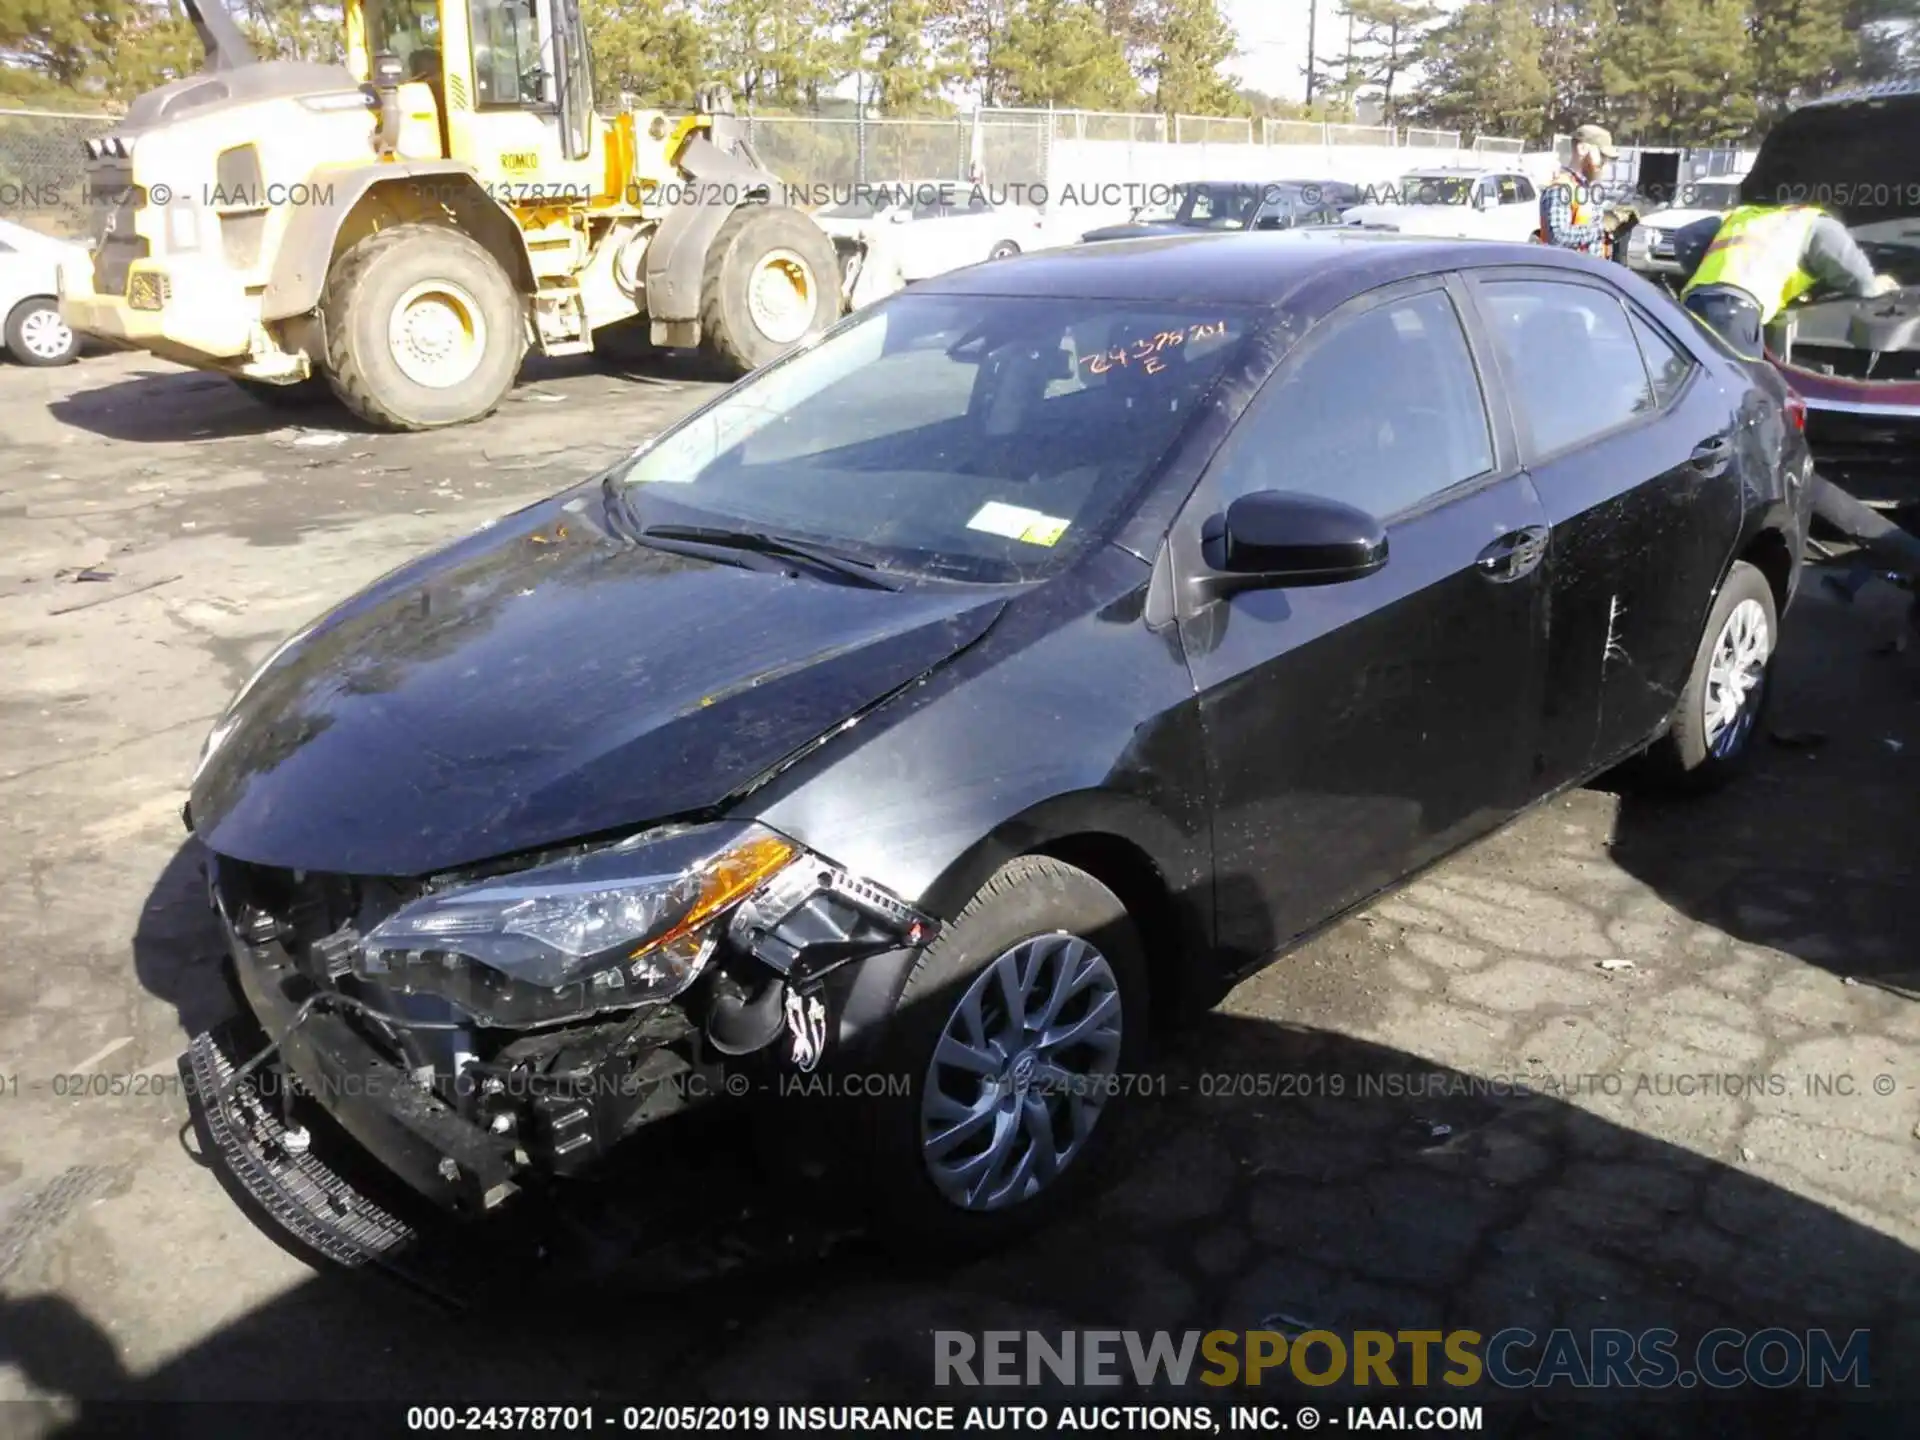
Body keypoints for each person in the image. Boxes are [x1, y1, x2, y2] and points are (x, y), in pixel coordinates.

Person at [1676, 201, 1900, 360]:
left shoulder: (1743, 214)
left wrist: (1705, 274)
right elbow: (1856, 276)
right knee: (1738, 396)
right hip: (1734, 313)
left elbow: (1686, 238)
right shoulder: (1815, 222)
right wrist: (1876, 285)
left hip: (1692, 303)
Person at [1537, 124, 1630, 256]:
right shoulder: (1561, 189)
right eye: (1602, 156)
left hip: (1588, 272)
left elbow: (1587, 228)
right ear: (1582, 149)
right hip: (1569, 274)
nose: (1604, 163)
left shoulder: (1586, 189)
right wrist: (1601, 229)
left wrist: (1616, 225)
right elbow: (1558, 238)